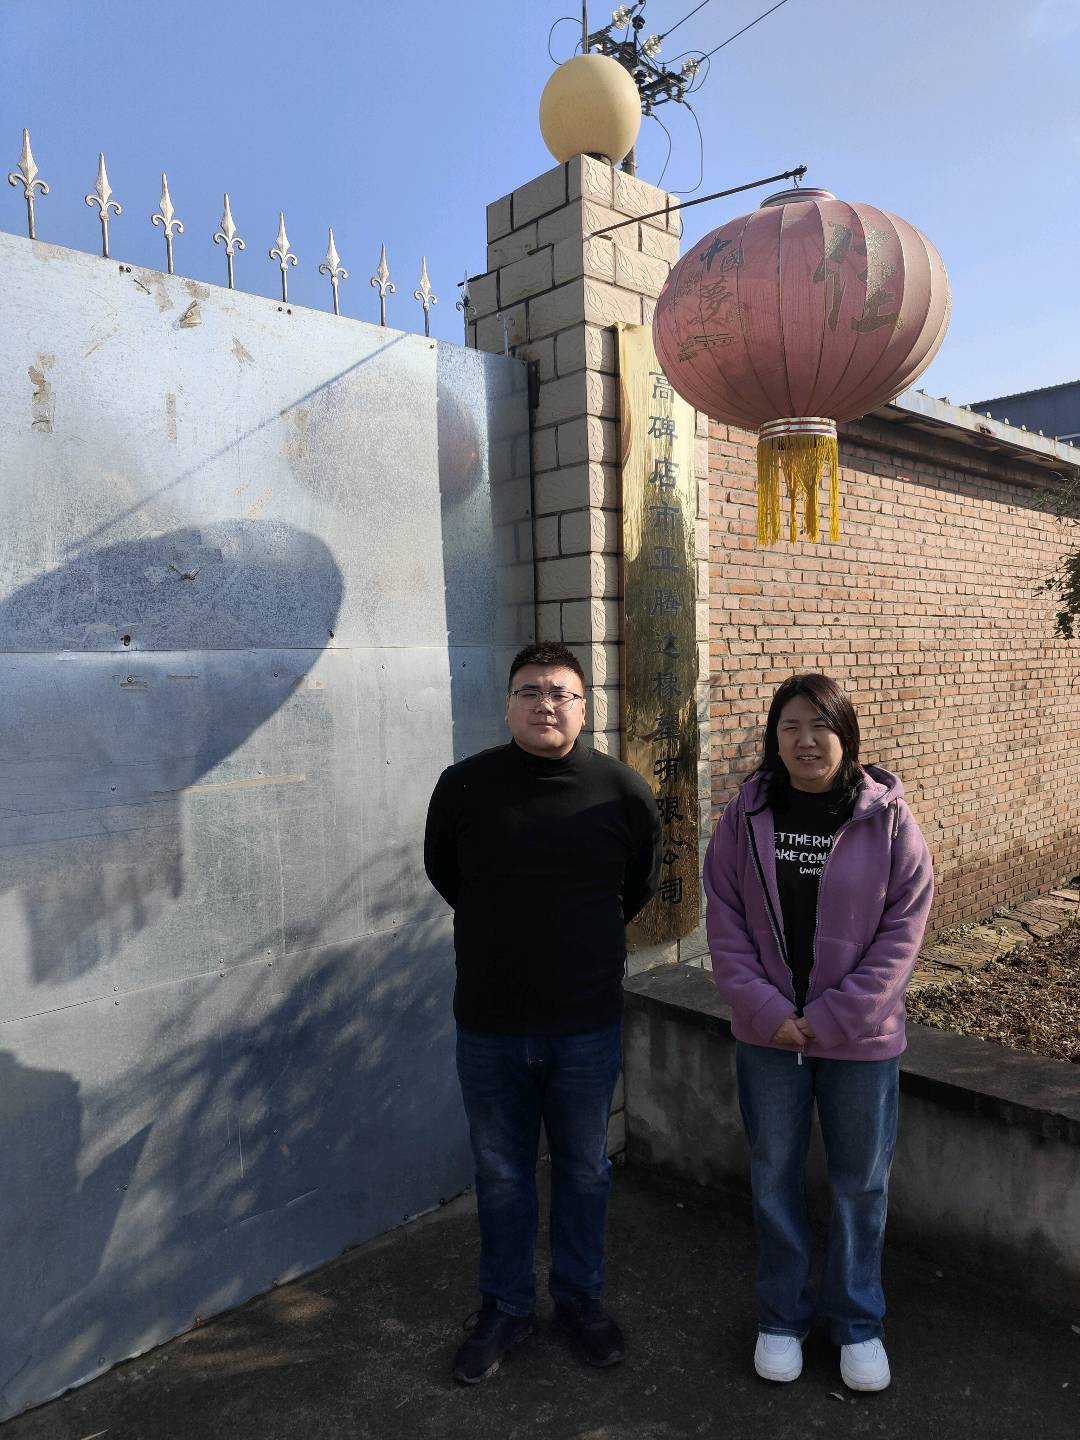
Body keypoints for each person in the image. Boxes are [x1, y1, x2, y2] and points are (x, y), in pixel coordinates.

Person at [424, 641, 662, 1384]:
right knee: (501, 1174)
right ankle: (505, 1307)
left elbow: (639, 885)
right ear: (507, 705)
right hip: (489, 1023)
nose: (545, 704)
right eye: (529, 691)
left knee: (586, 1170)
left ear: (585, 707)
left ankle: (579, 1301)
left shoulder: (621, 792)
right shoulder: (464, 787)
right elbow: (445, 873)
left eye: (561, 692)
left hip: (585, 1025)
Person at [704, 673, 933, 1394]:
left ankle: (857, 1322)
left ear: (846, 735)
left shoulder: (888, 821)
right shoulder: (743, 817)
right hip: (768, 1037)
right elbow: (725, 922)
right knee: (773, 1177)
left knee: (860, 1184)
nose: (806, 741)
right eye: (790, 726)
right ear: (774, 738)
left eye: (821, 726)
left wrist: (830, 1018)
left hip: (860, 1042)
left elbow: (903, 934)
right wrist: (768, 1011)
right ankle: (782, 1316)